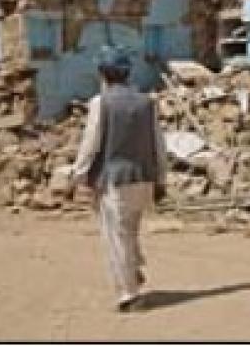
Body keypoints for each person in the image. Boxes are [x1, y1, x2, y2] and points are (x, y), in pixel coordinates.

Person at [70, 45, 169, 312]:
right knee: (130, 232)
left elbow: (90, 143)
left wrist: (78, 175)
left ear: (102, 73)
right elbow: (158, 145)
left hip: (115, 182)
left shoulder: (101, 104)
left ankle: (129, 294)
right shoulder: (148, 103)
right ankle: (134, 271)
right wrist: (161, 179)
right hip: (144, 179)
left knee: (117, 238)